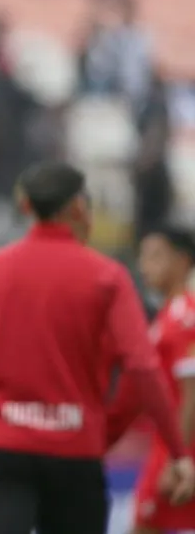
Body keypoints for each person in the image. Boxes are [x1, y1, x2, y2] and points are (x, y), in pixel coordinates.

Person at [0, 162, 194, 534]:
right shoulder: (107, 277)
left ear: (25, 207)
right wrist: (178, 450)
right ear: (78, 208)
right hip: (75, 452)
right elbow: (142, 367)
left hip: (3, 451)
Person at [122, 227, 195, 534]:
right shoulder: (166, 316)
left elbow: (191, 393)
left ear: (181, 261)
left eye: (154, 256)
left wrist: (178, 458)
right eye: (142, 257)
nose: (144, 266)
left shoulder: (184, 318)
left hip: (176, 452)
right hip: (165, 447)